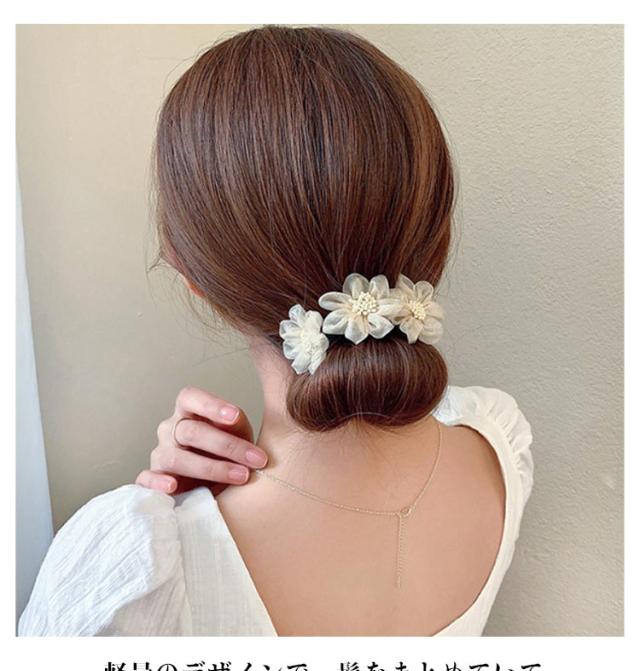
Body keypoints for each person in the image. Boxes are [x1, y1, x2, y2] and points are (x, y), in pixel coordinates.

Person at [18, 25, 533, 637]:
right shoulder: (498, 448)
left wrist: (169, 527)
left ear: (192, 274)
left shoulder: (124, 575)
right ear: (436, 237)